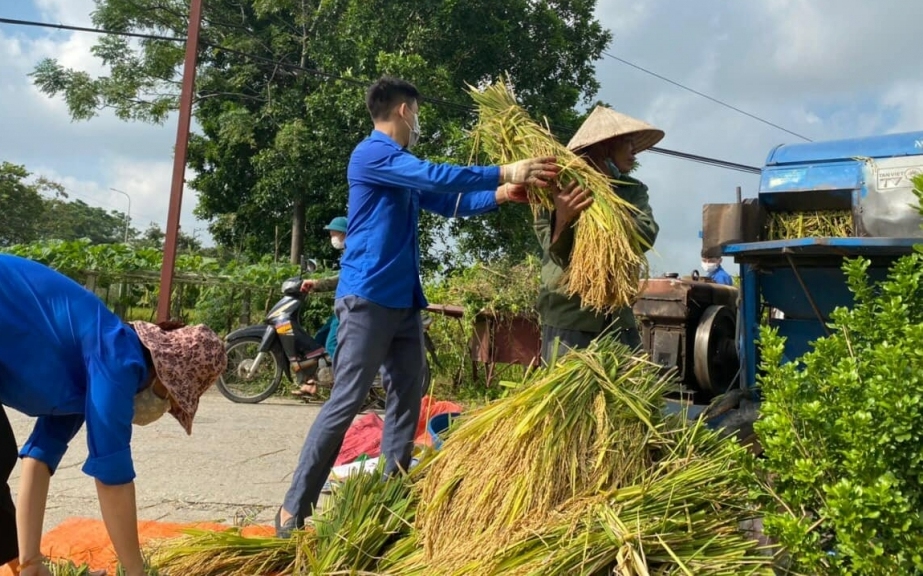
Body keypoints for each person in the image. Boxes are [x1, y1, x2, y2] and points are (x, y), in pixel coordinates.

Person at [275, 75, 559, 536]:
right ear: (405, 111)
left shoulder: (398, 168)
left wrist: (502, 194)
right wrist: (507, 169)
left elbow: (446, 202)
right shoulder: (372, 154)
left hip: (404, 303)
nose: (418, 123)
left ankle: (389, 499)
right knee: (345, 400)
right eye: (419, 114)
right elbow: (434, 175)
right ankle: (293, 509)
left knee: (408, 399)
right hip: (366, 298)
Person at [0, 251, 227, 576]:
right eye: (169, 400)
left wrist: (32, 562)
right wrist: (135, 572)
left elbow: (38, 460)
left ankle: (15, 566)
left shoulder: (85, 368)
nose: (163, 408)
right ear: (162, 374)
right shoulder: (118, 359)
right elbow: (113, 479)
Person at [534, 105, 663, 364]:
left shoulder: (632, 191)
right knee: (569, 399)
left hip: (617, 312)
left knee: (629, 393)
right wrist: (564, 217)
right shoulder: (554, 190)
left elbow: (647, 233)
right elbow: (556, 251)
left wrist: (607, 206)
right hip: (571, 313)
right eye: (626, 143)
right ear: (604, 147)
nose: (633, 151)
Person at [296, 216, 348, 398]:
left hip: (348, 306)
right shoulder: (348, 252)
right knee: (318, 341)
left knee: (332, 344)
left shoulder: (353, 252)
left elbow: (341, 279)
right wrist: (316, 284)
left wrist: (318, 283)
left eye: (334, 232)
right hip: (341, 306)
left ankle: (344, 386)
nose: (331, 236)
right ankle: (311, 383)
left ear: (344, 233)